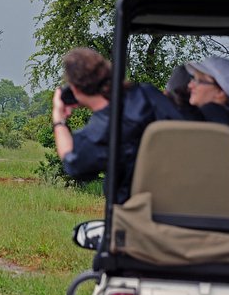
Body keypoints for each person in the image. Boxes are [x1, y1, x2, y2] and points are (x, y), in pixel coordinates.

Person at [52, 47, 177, 204]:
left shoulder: (98, 133)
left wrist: (59, 119)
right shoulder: (147, 94)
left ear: (75, 88)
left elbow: (73, 164)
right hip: (181, 198)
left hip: (137, 210)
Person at [185, 57, 229, 139]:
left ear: (220, 92)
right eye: (193, 79)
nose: (190, 85)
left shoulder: (207, 118)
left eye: (199, 81)